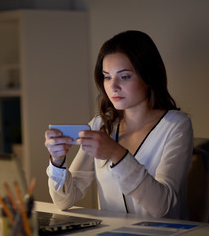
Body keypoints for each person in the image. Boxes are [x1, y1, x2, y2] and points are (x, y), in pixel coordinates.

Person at [44, 30, 193, 219]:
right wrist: (57, 162)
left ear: (148, 77)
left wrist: (116, 153)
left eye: (124, 77)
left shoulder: (176, 126)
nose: (113, 86)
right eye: (107, 76)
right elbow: (64, 201)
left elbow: (160, 206)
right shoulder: (100, 125)